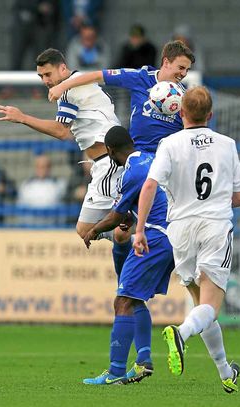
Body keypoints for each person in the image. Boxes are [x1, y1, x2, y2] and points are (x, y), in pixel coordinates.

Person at [133, 86, 240, 393]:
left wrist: (140, 228)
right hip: (214, 227)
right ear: (210, 115)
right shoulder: (227, 144)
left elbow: (149, 186)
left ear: (179, 112)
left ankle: (226, 372)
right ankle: (181, 334)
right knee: (210, 306)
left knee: (201, 305)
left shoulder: (168, 143)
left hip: (180, 230)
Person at [0, 48, 131, 274]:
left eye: (48, 74)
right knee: (102, 227)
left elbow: (61, 131)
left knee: (85, 229)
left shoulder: (70, 90)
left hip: (108, 163)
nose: (45, 80)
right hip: (106, 162)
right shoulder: (78, 84)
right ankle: (129, 229)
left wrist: (22, 118)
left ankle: (139, 233)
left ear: (62, 68)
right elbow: (68, 132)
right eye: (41, 76)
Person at [81, 125, 174, 385]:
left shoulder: (132, 173)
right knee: (134, 299)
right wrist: (130, 218)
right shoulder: (149, 159)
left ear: (110, 151)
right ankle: (143, 359)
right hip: (171, 237)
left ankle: (115, 371)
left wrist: (94, 231)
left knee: (122, 301)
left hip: (153, 239)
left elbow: (114, 217)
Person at [47, 40, 195, 154]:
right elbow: (98, 75)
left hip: (166, 157)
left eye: (187, 70)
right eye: (181, 68)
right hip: (138, 155)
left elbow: (192, 131)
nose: (184, 74)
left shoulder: (185, 97)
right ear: (166, 62)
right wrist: (62, 86)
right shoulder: (140, 77)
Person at [17, 154, 66, 224]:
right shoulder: (26, 185)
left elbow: (61, 208)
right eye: (40, 167)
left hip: (52, 227)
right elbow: (21, 207)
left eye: (46, 166)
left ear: (50, 168)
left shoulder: (59, 184)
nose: (43, 169)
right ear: (36, 168)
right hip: (30, 227)